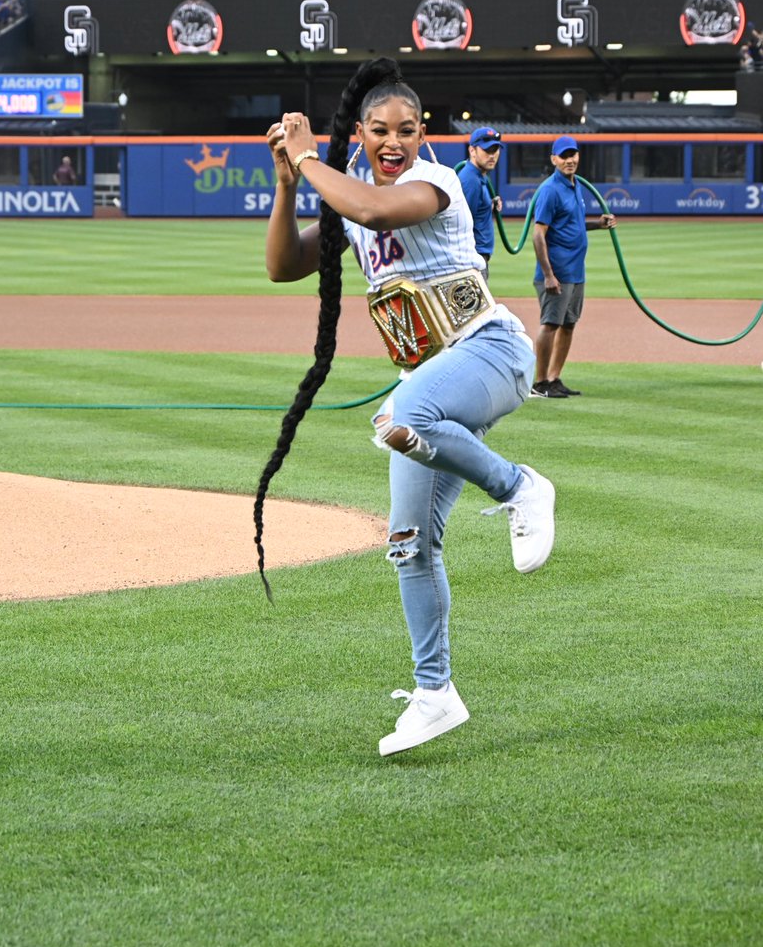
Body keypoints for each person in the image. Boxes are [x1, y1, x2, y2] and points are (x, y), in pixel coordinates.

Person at [256, 58, 555, 757]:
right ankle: (435, 693)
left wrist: (309, 157)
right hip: (432, 382)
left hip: (493, 353)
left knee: (400, 418)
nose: (394, 141)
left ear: (423, 135)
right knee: (408, 543)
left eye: (408, 129)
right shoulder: (351, 199)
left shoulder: (434, 182)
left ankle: (520, 487)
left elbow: (371, 209)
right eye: (380, 130)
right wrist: (286, 182)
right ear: (361, 134)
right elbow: (281, 266)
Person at [530, 135, 616, 398]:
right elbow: (538, 234)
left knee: (568, 324)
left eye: (573, 155)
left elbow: (571, 224)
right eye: (564, 156)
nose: (570, 160)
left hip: (576, 271)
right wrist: (548, 275)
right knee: (550, 324)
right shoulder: (550, 190)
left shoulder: (575, 184)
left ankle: (554, 378)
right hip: (557, 272)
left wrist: (597, 224)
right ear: (554, 159)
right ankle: (540, 383)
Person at [457, 127, 503, 275]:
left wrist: (489, 205)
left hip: (477, 257)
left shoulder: (479, 176)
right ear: (472, 150)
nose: (492, 155)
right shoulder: (471, 180)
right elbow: (462, 224)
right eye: (487, 150)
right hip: (472, 259)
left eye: (495, 150)